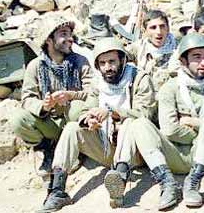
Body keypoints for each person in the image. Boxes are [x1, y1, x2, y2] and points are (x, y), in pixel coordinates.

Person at [38, 38, 169, 212]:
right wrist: (88, 120)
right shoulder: (98, 82)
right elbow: (87, 108)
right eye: (102, 63)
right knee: (72, 128)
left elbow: (145, 115)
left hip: (136, 151)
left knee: (130, 123)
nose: (108, 67)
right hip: (108, 147)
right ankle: (57, 190)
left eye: (112, 61)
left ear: (122, 60)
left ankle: (120, 179)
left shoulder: (139, 78)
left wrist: (113, 112)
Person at [129, 33, 204, 209]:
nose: (203, 62)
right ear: (183, 61)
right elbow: (170, 130)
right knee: (138, 124)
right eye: (196, 57)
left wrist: (194, 122)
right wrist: (202, 133)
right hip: (176, 155)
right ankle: (167, 182)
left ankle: (194, 182)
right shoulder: (170, 88)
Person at [10, 15, 92, 178]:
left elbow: (93, 92)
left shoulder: (80, 61)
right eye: (63, 34)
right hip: (51, 123)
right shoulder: (35, 66)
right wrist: (44, 106)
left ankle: (78, 148)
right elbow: (27, 98)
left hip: (74, 121)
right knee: (18, 120)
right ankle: (49, 149)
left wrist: (71, 95)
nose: (70, 39)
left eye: (70, 34)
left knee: (77, 108)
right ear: (48, 39)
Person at [129, 10, 178, 91]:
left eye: (162, 26)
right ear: (145, 31)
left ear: (168, 28)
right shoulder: (138, 48)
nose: (159, 32)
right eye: (153, 28)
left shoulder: (179, 47)